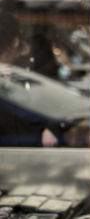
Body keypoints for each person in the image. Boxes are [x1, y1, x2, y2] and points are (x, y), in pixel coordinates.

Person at [0, 10, 61, 147]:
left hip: (33, 153)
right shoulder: (32, 69)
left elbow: (55, 104)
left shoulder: (33, 69)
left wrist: (51, 128)